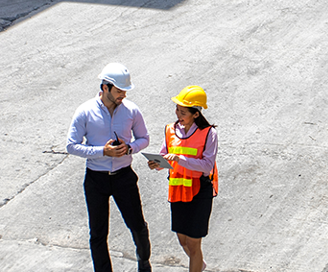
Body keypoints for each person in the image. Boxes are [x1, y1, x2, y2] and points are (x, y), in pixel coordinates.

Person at [66, 62, 152, 272]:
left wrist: (129, 148)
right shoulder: (85, 111)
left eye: (125, 91)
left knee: (137, 225)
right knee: (98, 233)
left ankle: (144, 260)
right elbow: (71, 145)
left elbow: (144, 138)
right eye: (119, 91)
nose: (123, 95)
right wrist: (101, 151)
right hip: (96, 179)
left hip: (124, 177)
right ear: (105, 87)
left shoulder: (131, 110)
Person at [153, 85, 218, 272]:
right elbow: (164, 156)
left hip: (199, 191)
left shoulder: (208, 134)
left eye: (183, 112)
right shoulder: (170, 130)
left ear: (196, 114)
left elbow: (207, 166)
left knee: (193, 242)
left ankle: (196, 265)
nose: (178, 114)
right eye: (177, 110)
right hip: (178, 189)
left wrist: (181, 160)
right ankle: (199, 265)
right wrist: (157, 164)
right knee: (183, 240)